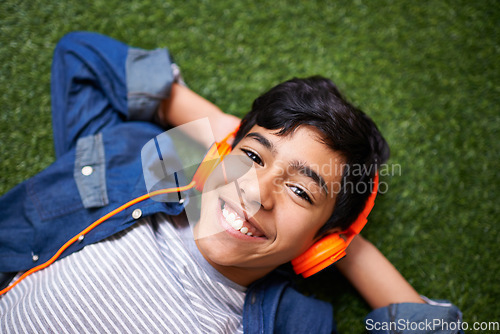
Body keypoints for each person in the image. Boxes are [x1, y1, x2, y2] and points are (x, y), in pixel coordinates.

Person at [0, 32, 463, 333]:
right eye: (252, 157)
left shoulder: (292, 320)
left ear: (319, 245)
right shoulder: (157, 165)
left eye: (302, 192)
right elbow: (81, 57)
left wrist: (344, 244)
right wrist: (226, 131)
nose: (256, 193)